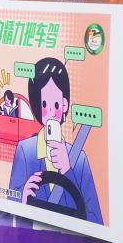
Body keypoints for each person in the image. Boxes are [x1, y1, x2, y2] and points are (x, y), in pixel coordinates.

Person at [9, 57, 102, 224]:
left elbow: (95, 219)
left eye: (56, 105)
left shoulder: (79, 159)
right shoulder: (25, 150)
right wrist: (22, 197)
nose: (51, 111)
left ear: (64, 104)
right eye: (44, 104)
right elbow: (10, 205)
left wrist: (67, 169)